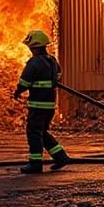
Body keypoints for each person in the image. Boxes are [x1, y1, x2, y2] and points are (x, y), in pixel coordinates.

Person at [14, 29, 70, 173]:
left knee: (33, 132)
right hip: (50, 105)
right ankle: (61, 157)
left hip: (37, 105)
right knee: (41, 132)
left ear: (35, 47)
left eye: (31, 48)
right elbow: (58, 75)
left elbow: (24, 81)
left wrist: (18, 91)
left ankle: (35, 164)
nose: (30, 50)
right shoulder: (52, 61)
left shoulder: (34, 62)